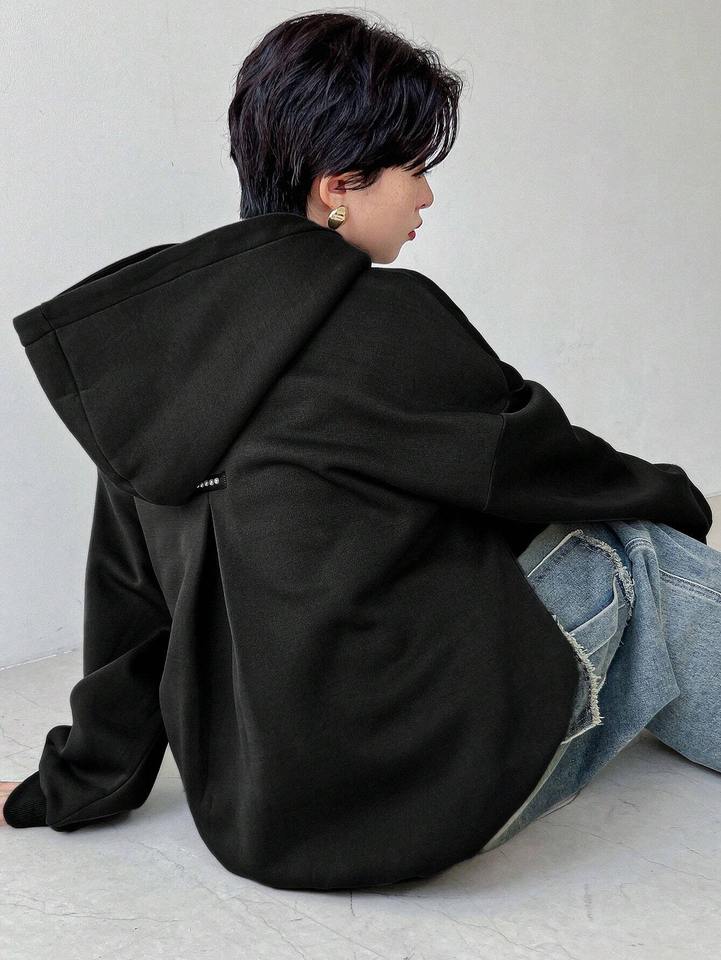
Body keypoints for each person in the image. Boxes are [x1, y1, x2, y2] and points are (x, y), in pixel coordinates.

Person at [1, 11, 716, 891]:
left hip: (259, 815)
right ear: (338, 185)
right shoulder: (389, 320)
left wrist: (74, 786)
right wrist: (683, 502)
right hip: (419, 794)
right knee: (636, 552)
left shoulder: (151, 358)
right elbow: (553, 470)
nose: (426, 198)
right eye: (414, 168)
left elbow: (130, 609)